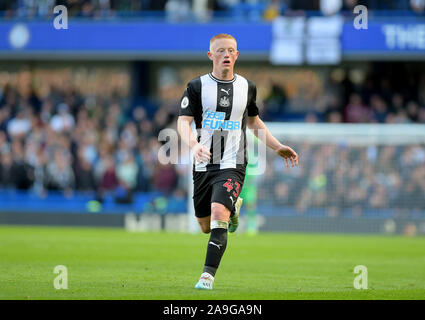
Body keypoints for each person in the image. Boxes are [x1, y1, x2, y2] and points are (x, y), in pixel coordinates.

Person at [177, 33, 299, 290]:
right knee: (204, 226)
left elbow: (254, 122)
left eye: (231, 50)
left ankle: (207, 277)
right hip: (203, 163)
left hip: (234, 162)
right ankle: (233, 207)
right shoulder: (196, 87)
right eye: (220, 51)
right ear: (211, 56)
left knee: (218, 214)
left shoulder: (247, 87)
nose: (226, 55)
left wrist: (277, 147)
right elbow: (183, 122)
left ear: (237, 55)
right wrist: (195, 145)